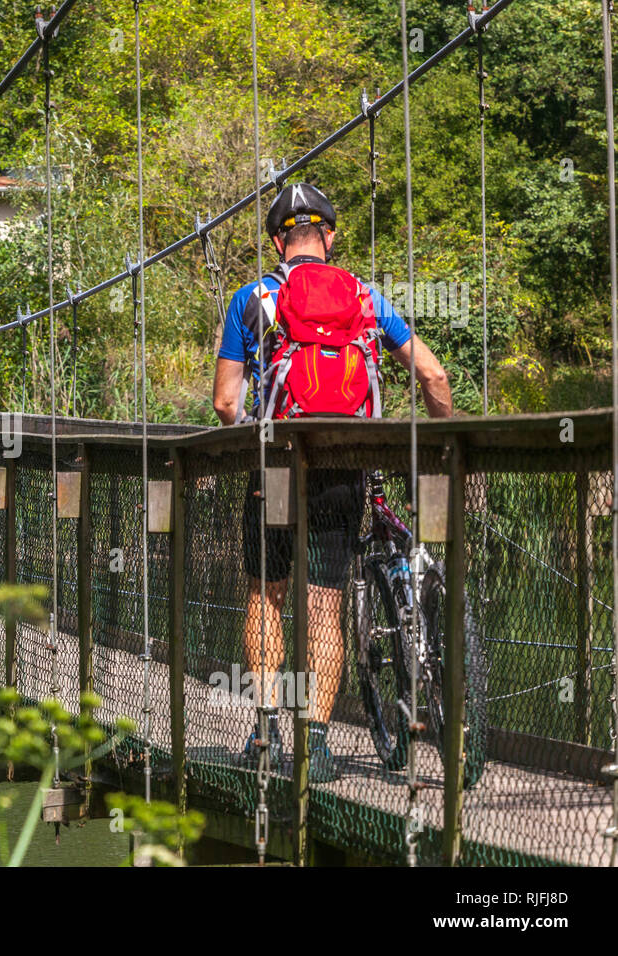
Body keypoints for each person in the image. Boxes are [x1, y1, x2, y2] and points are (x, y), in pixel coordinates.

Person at [211, 182, 452, 783]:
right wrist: (446, 447)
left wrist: (254, 429)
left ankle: (268, 730)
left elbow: (222, 403)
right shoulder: (366, 297)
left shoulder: (251, 298)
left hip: (276, 467)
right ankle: (315, 745)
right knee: (325, 604)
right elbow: (433, 374)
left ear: (276, 241)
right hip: (345, 466)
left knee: (268, 594)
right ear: (331, 237)